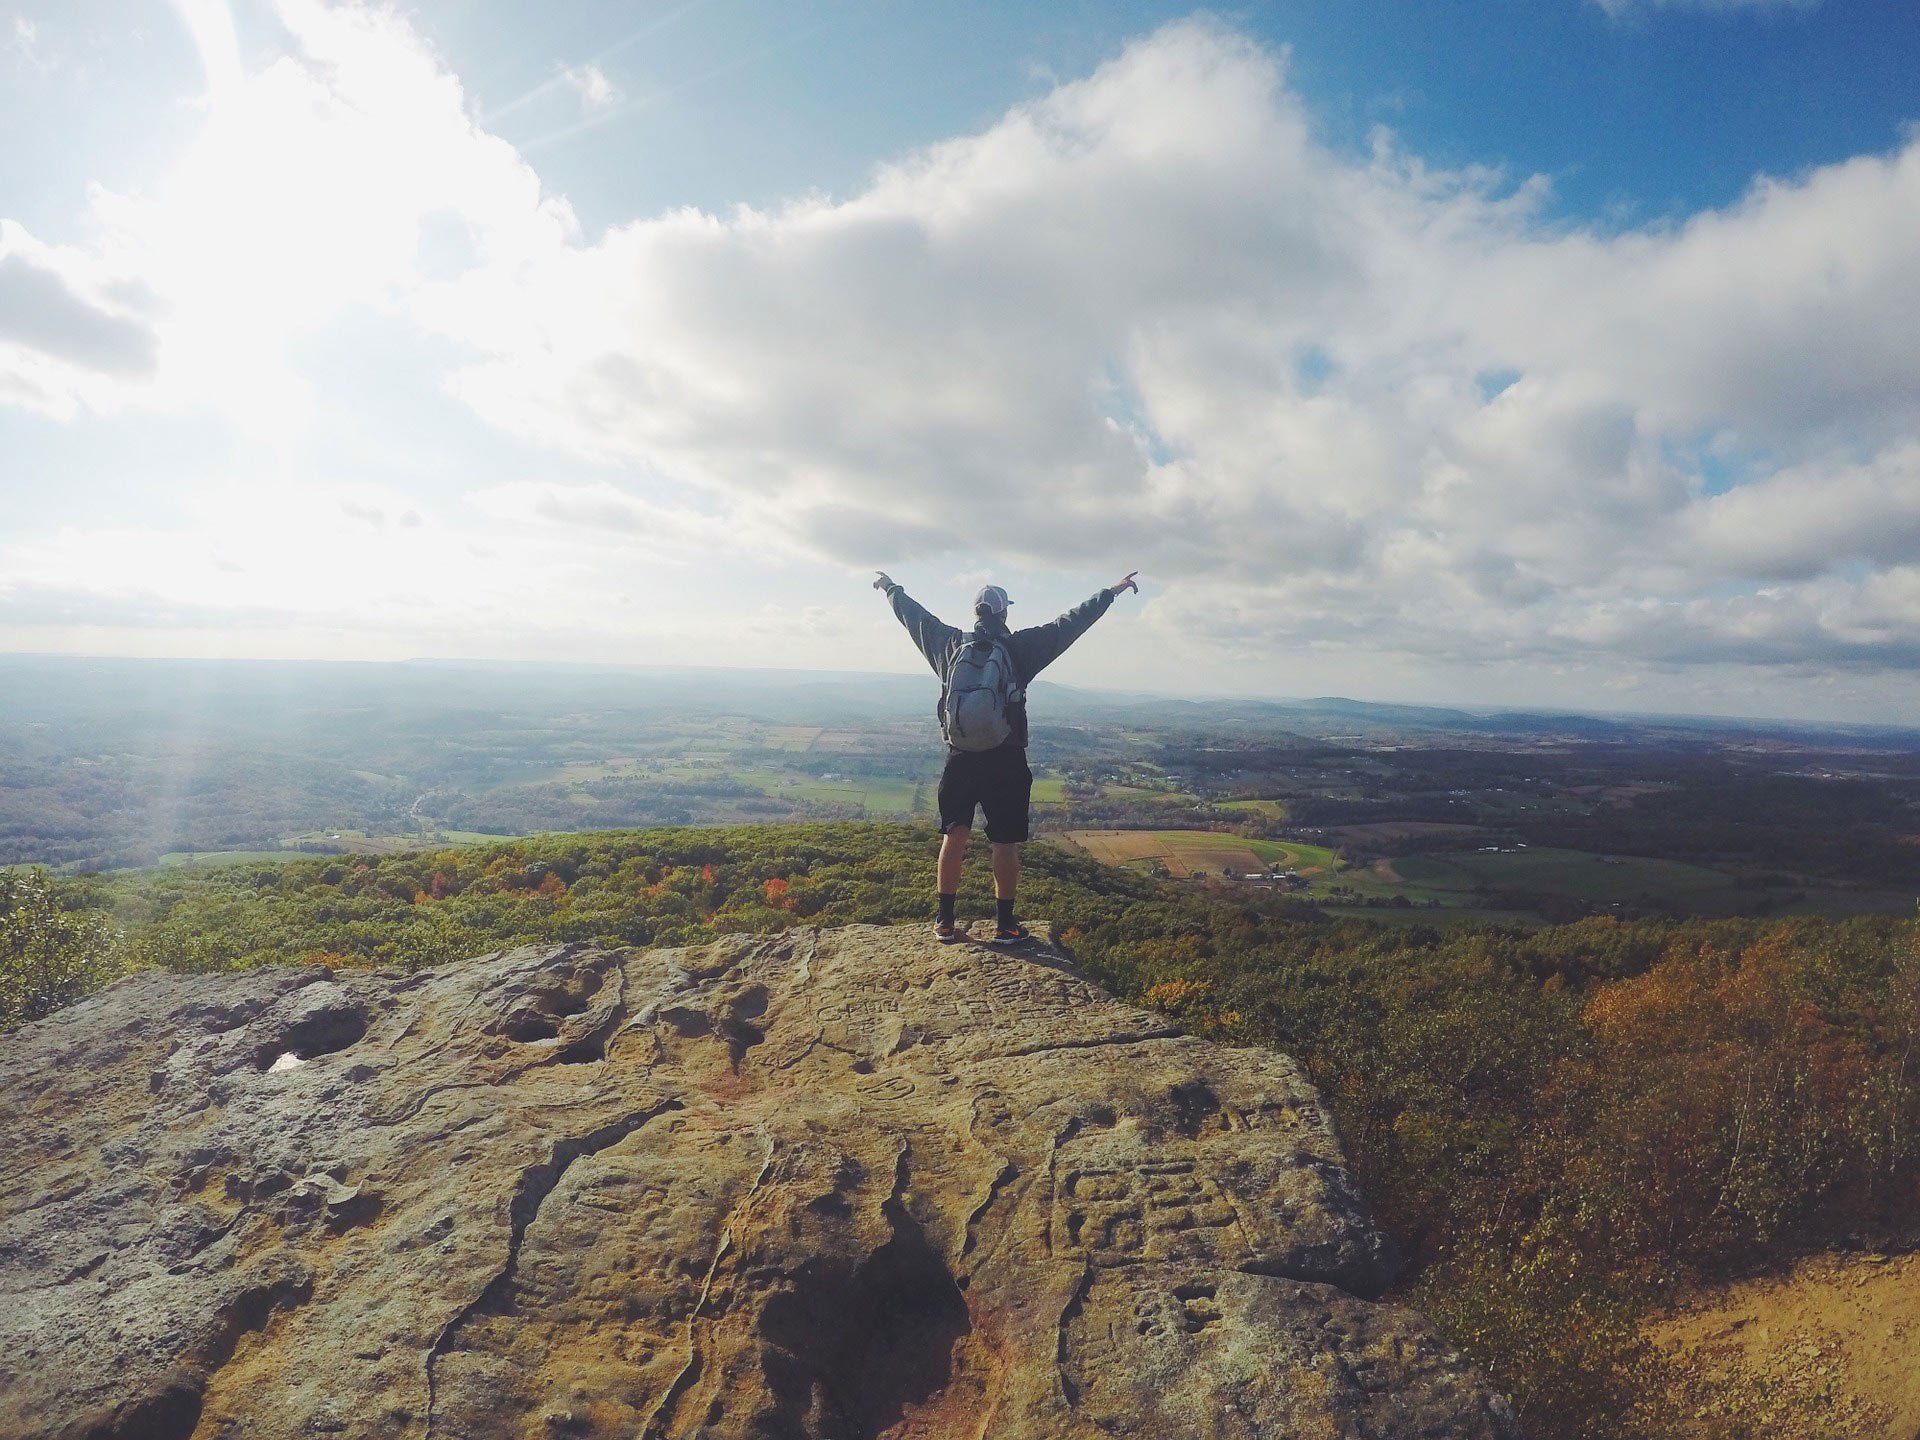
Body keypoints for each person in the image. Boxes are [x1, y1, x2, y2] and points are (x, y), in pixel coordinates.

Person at [872, 569, 1139, 944]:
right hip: (1006, 758)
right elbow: (1069, 624)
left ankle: (944, 922)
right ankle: (1005, 926)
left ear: (976, 612)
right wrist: (1109, 593)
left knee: (954, 834)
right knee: (1004, 842)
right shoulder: (1019, 649)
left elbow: (912, 615)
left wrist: (889, 587)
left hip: (960, 756)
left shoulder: (949, 644)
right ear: (1004, 614)